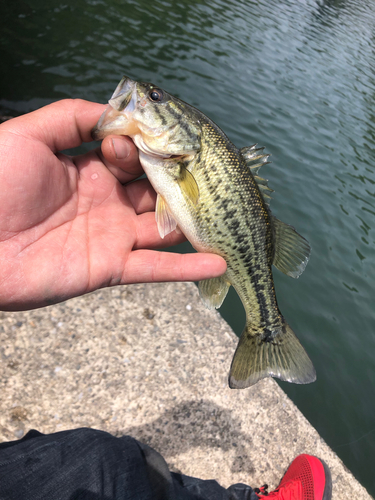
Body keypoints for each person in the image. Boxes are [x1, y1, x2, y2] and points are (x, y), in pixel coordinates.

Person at [0, 100, 332, 500]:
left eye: (156, 100)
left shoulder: (185, 159)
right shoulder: (172, 159)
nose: (144, 98)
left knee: (103, 459)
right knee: (107, 463)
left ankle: (266, 332)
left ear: (185, 135)